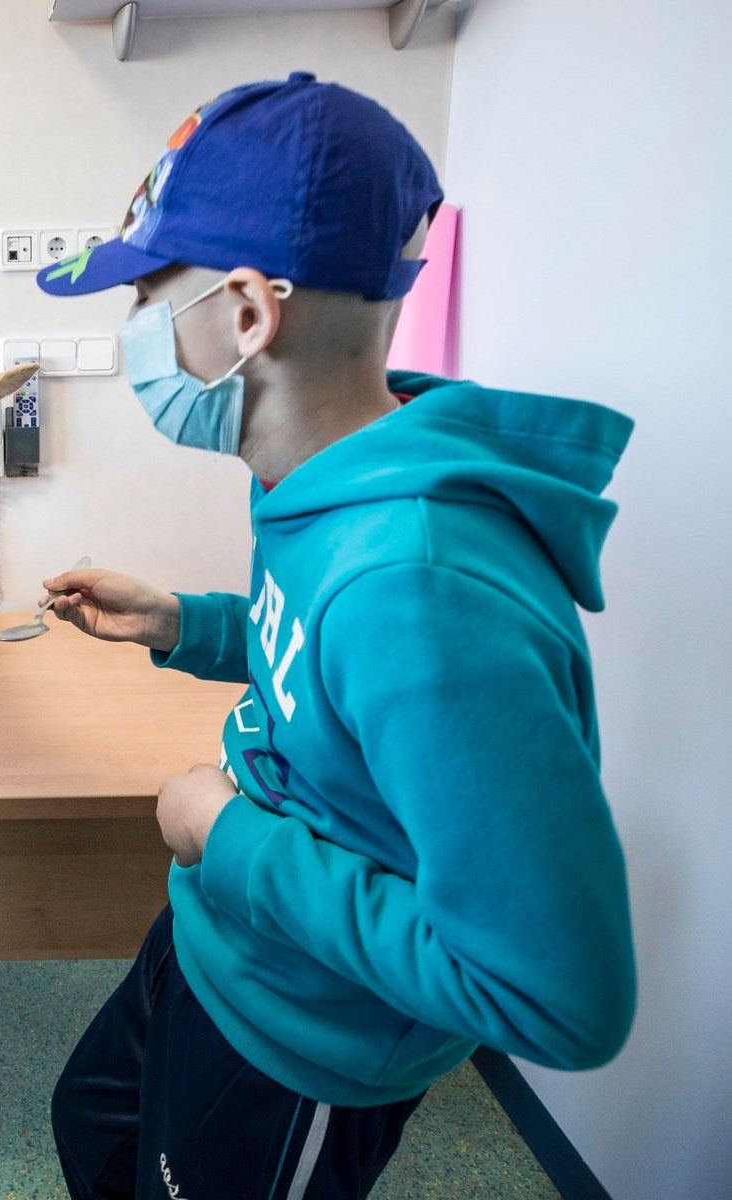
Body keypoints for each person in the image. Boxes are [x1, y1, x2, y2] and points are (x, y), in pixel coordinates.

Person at [36, 73, 636, 1200]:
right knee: (92, 1129)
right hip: (225, 941)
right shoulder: (317, 481)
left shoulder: (422, 584)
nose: (134, 332)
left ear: (251, 313)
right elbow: (332, 677)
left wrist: (225, 835)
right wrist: (188, 624)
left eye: (152, 292)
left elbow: (559, 994)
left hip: (306, 1038)